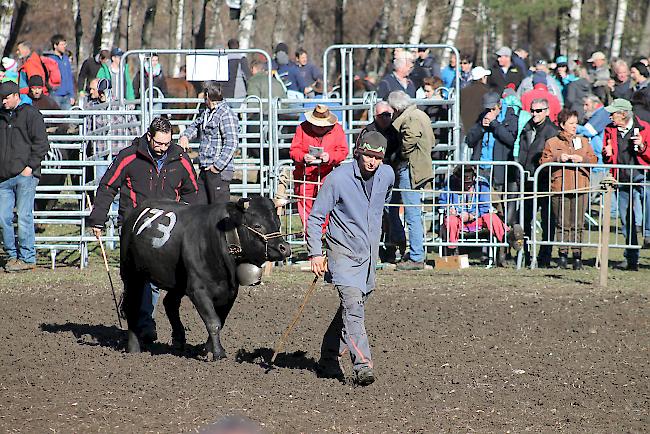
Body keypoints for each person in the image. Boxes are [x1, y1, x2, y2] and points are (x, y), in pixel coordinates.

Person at [88, 117, 199, 340]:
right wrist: (97, 218)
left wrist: (189, 218)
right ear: (149, 137)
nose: (162, 149)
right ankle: (139, 316)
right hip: (133, 226)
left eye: (166, 144)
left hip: (167, 227)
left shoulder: (180, 159)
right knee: (134, 276)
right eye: (158, 144)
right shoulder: (129, 156)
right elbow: (108, 185)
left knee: (154, 277)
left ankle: (145, 324)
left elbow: (192, 191)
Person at [308, 131, 394, 386]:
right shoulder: (337, 179)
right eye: (367, 155)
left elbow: (384, 201)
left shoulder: (387, 175)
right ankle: (363, 365)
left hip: (368, 255)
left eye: (377, 157)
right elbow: (315, 218)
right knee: (354, 307)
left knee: (352, 308)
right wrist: (314, 253)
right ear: (358, 152)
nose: (371, 162)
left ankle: (328, 357)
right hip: (342, 252)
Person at [0, 81, 49, 272]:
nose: (3, 102)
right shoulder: (1, 116)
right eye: (1, 98)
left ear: (15, 96)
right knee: (3, 218)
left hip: (25, 175)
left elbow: (41, 143)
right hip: (3, 178)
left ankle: (27, 257)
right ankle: (12, 255)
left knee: (24, 216)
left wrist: (30, 167)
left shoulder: (30, 114)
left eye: (6, 98)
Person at [540, 108, 597, 270]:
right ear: (562, 124)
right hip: (560, 188)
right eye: (571, 123)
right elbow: (543, 163)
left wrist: (583, 159)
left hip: (580, 187)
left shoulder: (584, 141)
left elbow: (594, 160)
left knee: (578, 224)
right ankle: (563, 255)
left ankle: (577, 256)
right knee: (562, 223)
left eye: (576, 123)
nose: (574, 126)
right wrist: (558, 159)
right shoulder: (552, 142)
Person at [388, 90, 434, 270]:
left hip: (411, 168)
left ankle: (416, 256)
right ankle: (415, 252)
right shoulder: (420, 114)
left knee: (412, 214)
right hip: (418, 167)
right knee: (412, 212)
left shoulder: (410, 119)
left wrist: (399, 155)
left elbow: (410, 139)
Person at [603, 99, 650, 270]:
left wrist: (643, 146)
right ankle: (631, 258)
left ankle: (648, 235)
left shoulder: (644, 127)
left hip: (642, 175)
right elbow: (608, 158)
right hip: (621, 178)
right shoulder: (609, 130)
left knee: (648, 202)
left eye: (613, 113)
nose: (610, 116)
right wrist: (606, 154)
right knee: (626, 219)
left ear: (623, 114)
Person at [179, 81, 239, 205]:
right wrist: (185, 136)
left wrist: (217, 167)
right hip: (205, 167)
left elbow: (231, 143)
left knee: (219, 211)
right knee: (200, 209)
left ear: (208, 96)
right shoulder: (207, 113)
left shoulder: (226, 114)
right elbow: (196, 125)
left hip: (218, 171)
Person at [289, 104, 348, 228]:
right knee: (306, 208)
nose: (320, 128)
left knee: (328, 206)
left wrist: (330, 157)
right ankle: (310, 237)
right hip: (306, 176)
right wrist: (303, 157)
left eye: (323, 125)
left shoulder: (337, 129)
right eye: (317, 125)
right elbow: (294, 150)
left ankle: (324, 236)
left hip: (328, 176)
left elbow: (343, 151)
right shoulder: (302, 128)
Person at [358, 102, 403, 262]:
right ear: (375, 116)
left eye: (388, 115)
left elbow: (400, 151)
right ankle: (371, 251)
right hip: (369, 179)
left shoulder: (394, 131)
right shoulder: (367, 131)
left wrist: (389, 163)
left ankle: (392, 249)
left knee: (391, 214)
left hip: (390, 178)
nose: (385, 118)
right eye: (381, 115)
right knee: (371, 215)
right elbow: (358, 153)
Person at [466, 92, 519, 227]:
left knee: (498, 205)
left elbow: (510, 139)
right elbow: (470, 140)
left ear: (499, 105)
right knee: (480, 204)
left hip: (498, 170)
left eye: (492, 109)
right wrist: (481, 127)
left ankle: (499, 236)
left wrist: (495, 124)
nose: (490, 112)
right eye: (487, 109)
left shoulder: (510, 117)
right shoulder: (481, 117)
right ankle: (482, 238)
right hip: (481, 168)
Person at [517, 98, 559, 267]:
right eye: (532, 110)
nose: (535, 114)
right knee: (524, 219)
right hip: (528, 182)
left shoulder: (552, 131)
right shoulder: (527, 127)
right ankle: (524, 254)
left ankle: (545, 257)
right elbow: (522, 151)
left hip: (545, 182)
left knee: (548, 221)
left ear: (547, 111)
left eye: (539, 111)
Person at [439, 166, 515, 257]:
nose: (467, 185)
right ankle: (452, 251)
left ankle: (508, 237)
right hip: (457, 220)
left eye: (469, 182)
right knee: (450, 220)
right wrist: (449, 209)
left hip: (477, 219)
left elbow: (485, 207)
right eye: (463, 183)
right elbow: (442, 202)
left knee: (490, 217)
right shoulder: (450, 182)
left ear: (474, 178)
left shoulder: (482, 183)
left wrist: (471, 216)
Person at [43, 34, 75, 109]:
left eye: (65, 44)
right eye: (62, 44)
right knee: (55, 117)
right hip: (55, 94)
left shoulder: (66, 59)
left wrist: (71, 95)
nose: (64, 46)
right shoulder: (49, 59)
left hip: (67, 95)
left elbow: (69, 77)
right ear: (55, 46)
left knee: (67, 118)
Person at [460, 66, 491, 135]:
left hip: (464, 129)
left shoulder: (463, 92)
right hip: (479, 130)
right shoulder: (486, 92)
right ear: (483, 78)